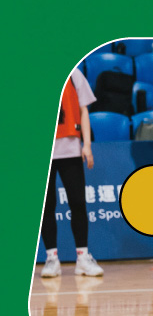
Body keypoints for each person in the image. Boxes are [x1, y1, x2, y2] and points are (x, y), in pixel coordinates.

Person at [41, 68, 104, 278]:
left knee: (77, 203)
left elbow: (84, 110)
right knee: (46, 206)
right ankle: (51, 258)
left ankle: (83, 258)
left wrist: (87, 145)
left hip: (70, 149)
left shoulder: (73, 73)